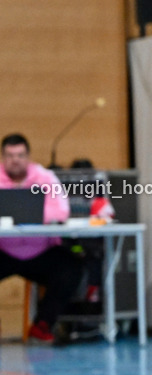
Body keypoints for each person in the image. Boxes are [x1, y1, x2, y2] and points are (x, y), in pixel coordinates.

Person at [0, 134, 82, 343]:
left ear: (28, 156)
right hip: (4, 251)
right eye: (10, 155)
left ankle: (43, 324)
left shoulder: (45, 177)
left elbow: (61, 210)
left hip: (40, 253)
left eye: (20, 155)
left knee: (72, 267)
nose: (15, 160)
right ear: (3, 157)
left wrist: (29, 216)